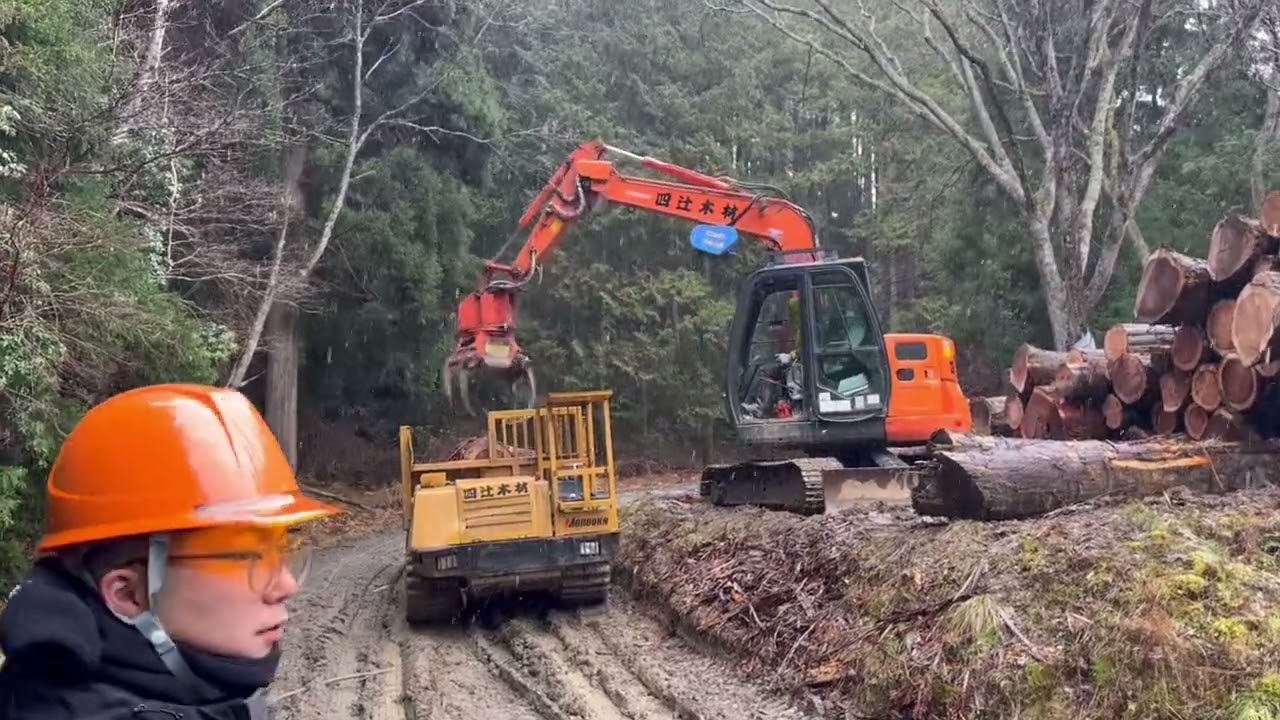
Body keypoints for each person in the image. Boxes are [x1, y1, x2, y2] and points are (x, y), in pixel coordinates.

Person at [0, 383, 341, 719]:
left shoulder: (197, 686)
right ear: (129, 593)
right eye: (246, 557)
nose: (286, 586)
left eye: (282, 550)